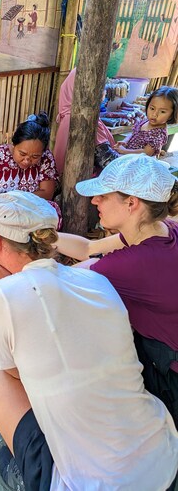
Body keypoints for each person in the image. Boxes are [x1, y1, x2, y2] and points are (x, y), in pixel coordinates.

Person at [0, 190, 178, 491]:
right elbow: (49, 295)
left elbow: (16, 371)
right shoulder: (97, 280)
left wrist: (4, 286)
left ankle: (30, 472)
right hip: (164, 458)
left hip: (92, 485)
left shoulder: (2, 293)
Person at [55, 154, 178, 429]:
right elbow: (88, 249)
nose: (95, 200)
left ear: (131, 204)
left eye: (103, 195)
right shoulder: (162, 229)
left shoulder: (135, 264)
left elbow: (57, 285)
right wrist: (49, 237)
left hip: (170, 376)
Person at [53, 68, 116, 174]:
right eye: (99, 89)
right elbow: (108, 163)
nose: (104, 93)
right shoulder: (84, 119)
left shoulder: (67, 118)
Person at [113, 86, 178, 157]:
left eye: (162, 111)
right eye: (152, 108)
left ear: (172, 114)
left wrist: (125, 151)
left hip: (140, 162)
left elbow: (147, 153)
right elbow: (133, 133)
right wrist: (125, 141)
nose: (154, 114)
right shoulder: (145, 121)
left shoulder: (159, 133)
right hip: (128, 155)